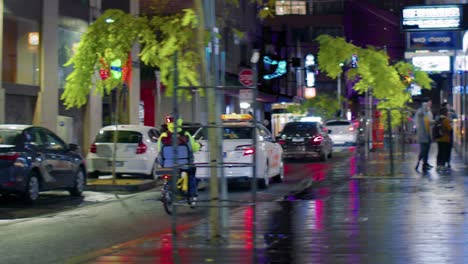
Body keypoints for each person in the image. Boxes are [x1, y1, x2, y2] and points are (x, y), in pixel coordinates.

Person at [157, 114, 201, 197]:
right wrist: (199, 146)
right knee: (191, 171)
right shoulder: (186, 135)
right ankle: (192, 192)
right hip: (184, 164)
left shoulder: (163, 136)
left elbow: (159, 149)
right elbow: (194, 148)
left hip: (167, 165)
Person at [414, 101, 433, 171]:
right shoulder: (421, 114)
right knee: (423, 151)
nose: (427, 108)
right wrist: (424, 109)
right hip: (423, 136)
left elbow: (430, 123)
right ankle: (418, 163)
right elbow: (419, 113)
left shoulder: (426, 115)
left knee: (426, 151)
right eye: (426, 106)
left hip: (428, 136)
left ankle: (424, 164)